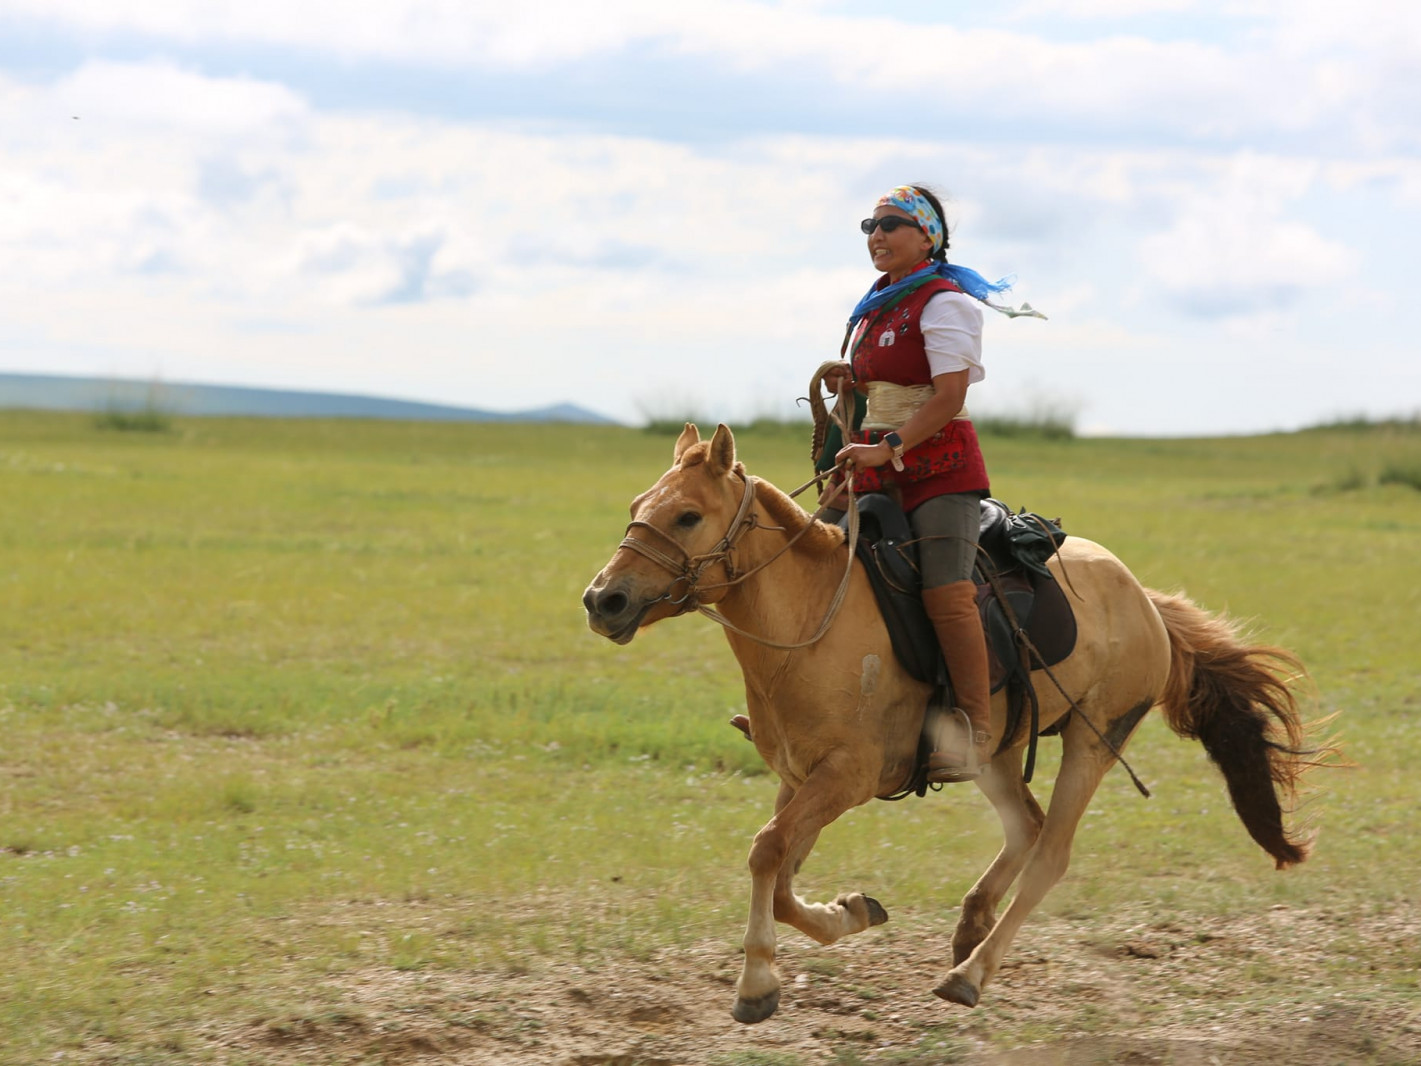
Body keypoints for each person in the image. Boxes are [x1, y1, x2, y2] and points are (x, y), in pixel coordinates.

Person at [819, 184, 1039, 783]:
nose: (877, 235)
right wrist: (852, 384)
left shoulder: (946, 303)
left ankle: (975, 726)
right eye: (870, 225)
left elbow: (948, 398)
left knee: (947, 593)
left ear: (928, 237)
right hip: (873, 465)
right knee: (812, 558)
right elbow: (887, 385)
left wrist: (886, 447)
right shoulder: (876, 306)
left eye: (891, 224)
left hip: (940, 472)